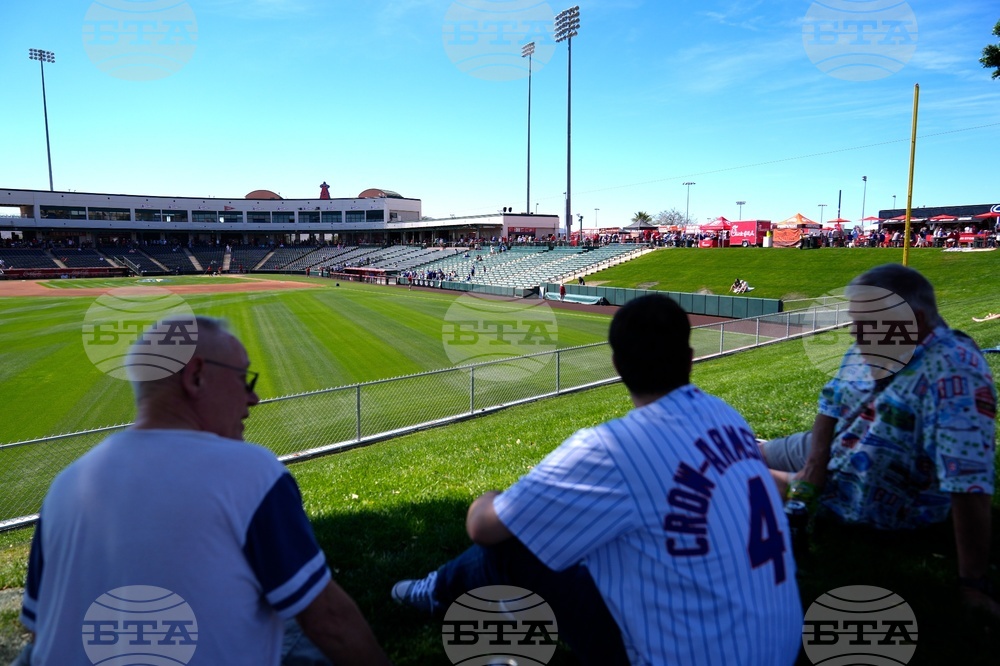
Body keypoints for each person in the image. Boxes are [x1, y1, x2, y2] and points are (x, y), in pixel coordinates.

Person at [392, 294, 803, 665]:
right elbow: (765, 485)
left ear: (617, 365)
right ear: (690, 356)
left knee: (511, 544)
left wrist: (490, 496)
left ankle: (438, 591)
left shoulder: (613, 447)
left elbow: (482, 527)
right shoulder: (726, 416)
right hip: (777, 647)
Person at [18, 316, 390, 666]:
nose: (252, 398)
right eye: (244, 379)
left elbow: (37, 629)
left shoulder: (64, 485)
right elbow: (329, 621)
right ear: (195, 376)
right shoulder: (250, 472)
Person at [761, 264, 998, 615]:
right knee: (741, 449)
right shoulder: (874, 343)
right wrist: (814, 468)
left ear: (914, 320)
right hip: (833, 445)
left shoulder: (955, 373)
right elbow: (831, 405)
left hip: (866, 484)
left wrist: (972, 582)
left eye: (865, 322)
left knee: (732, 473)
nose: (855, 333)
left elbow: (967, 481)